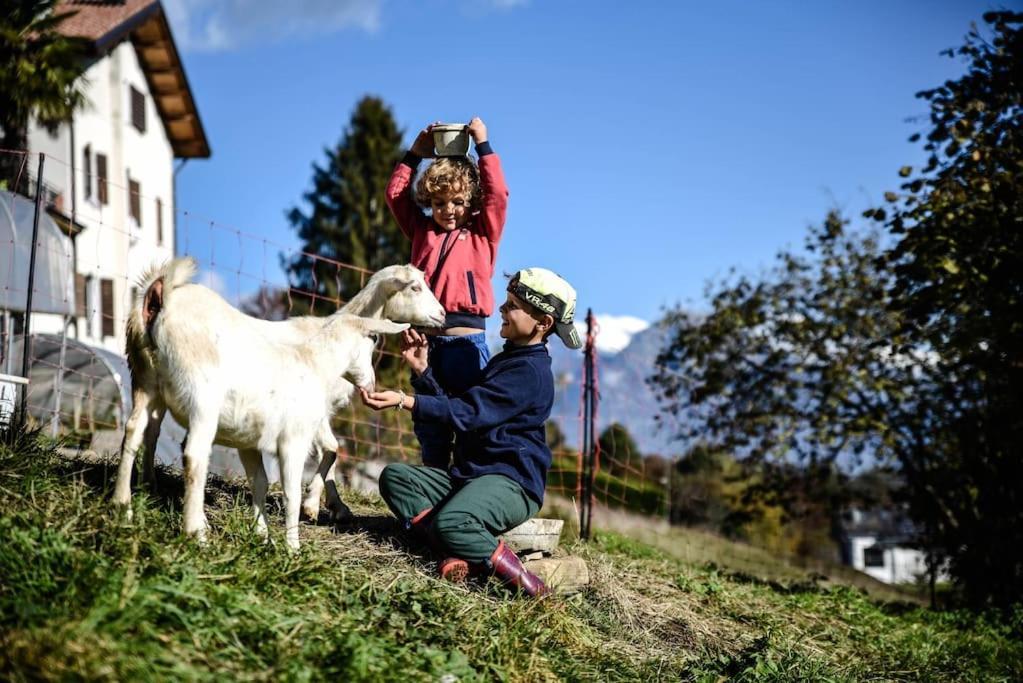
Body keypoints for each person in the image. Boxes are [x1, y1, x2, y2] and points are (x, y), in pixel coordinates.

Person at [360, 268, 582, 597]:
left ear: (543, 323)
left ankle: (532, 589)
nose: (502, 310)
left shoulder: (530, 373)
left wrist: (406, 401)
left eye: (513, 305)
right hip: (470, 477)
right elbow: (466, 405)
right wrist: (422, 370)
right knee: (395, 478)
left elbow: (468, 413)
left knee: (451, 522)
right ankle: (459, 552)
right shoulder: (507, 360)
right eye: (505, 302)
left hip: (509, 483)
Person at [385, 117, 508, 469]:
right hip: (426, 345)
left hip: (466, 346)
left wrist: (483, 145)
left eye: (456, 202)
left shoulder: (484, 232)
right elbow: (395, 195)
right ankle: (434, 485)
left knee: (471, 421)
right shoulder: (422, 230)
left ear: (470, 201)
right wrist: (414, 153)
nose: (448, 210)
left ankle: (468, 487)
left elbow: (498, 194)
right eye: (439, 203)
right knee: (430, 422)